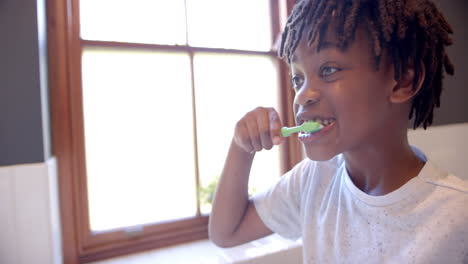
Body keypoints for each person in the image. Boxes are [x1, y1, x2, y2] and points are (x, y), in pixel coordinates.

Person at [209, 0, 468, 263]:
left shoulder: (458, 215)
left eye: (328, 70)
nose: (301, 97)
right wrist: (241, 147)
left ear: (403, 81)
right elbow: (226, 232)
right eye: (297, 79)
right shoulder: (313, 180)